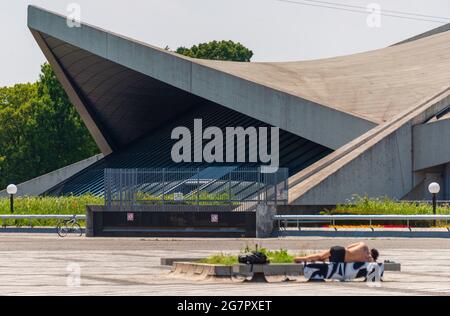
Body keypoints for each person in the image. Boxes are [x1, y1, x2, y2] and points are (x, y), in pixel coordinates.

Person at [294, 242, 379, 263]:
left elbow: (348, 247)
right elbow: (374, 264)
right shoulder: (367, 259)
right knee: (322, 261)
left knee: (320, 256)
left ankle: (298, 259)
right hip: (341, 260)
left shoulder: (363, 244)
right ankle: (301, 259)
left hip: (341, 251)